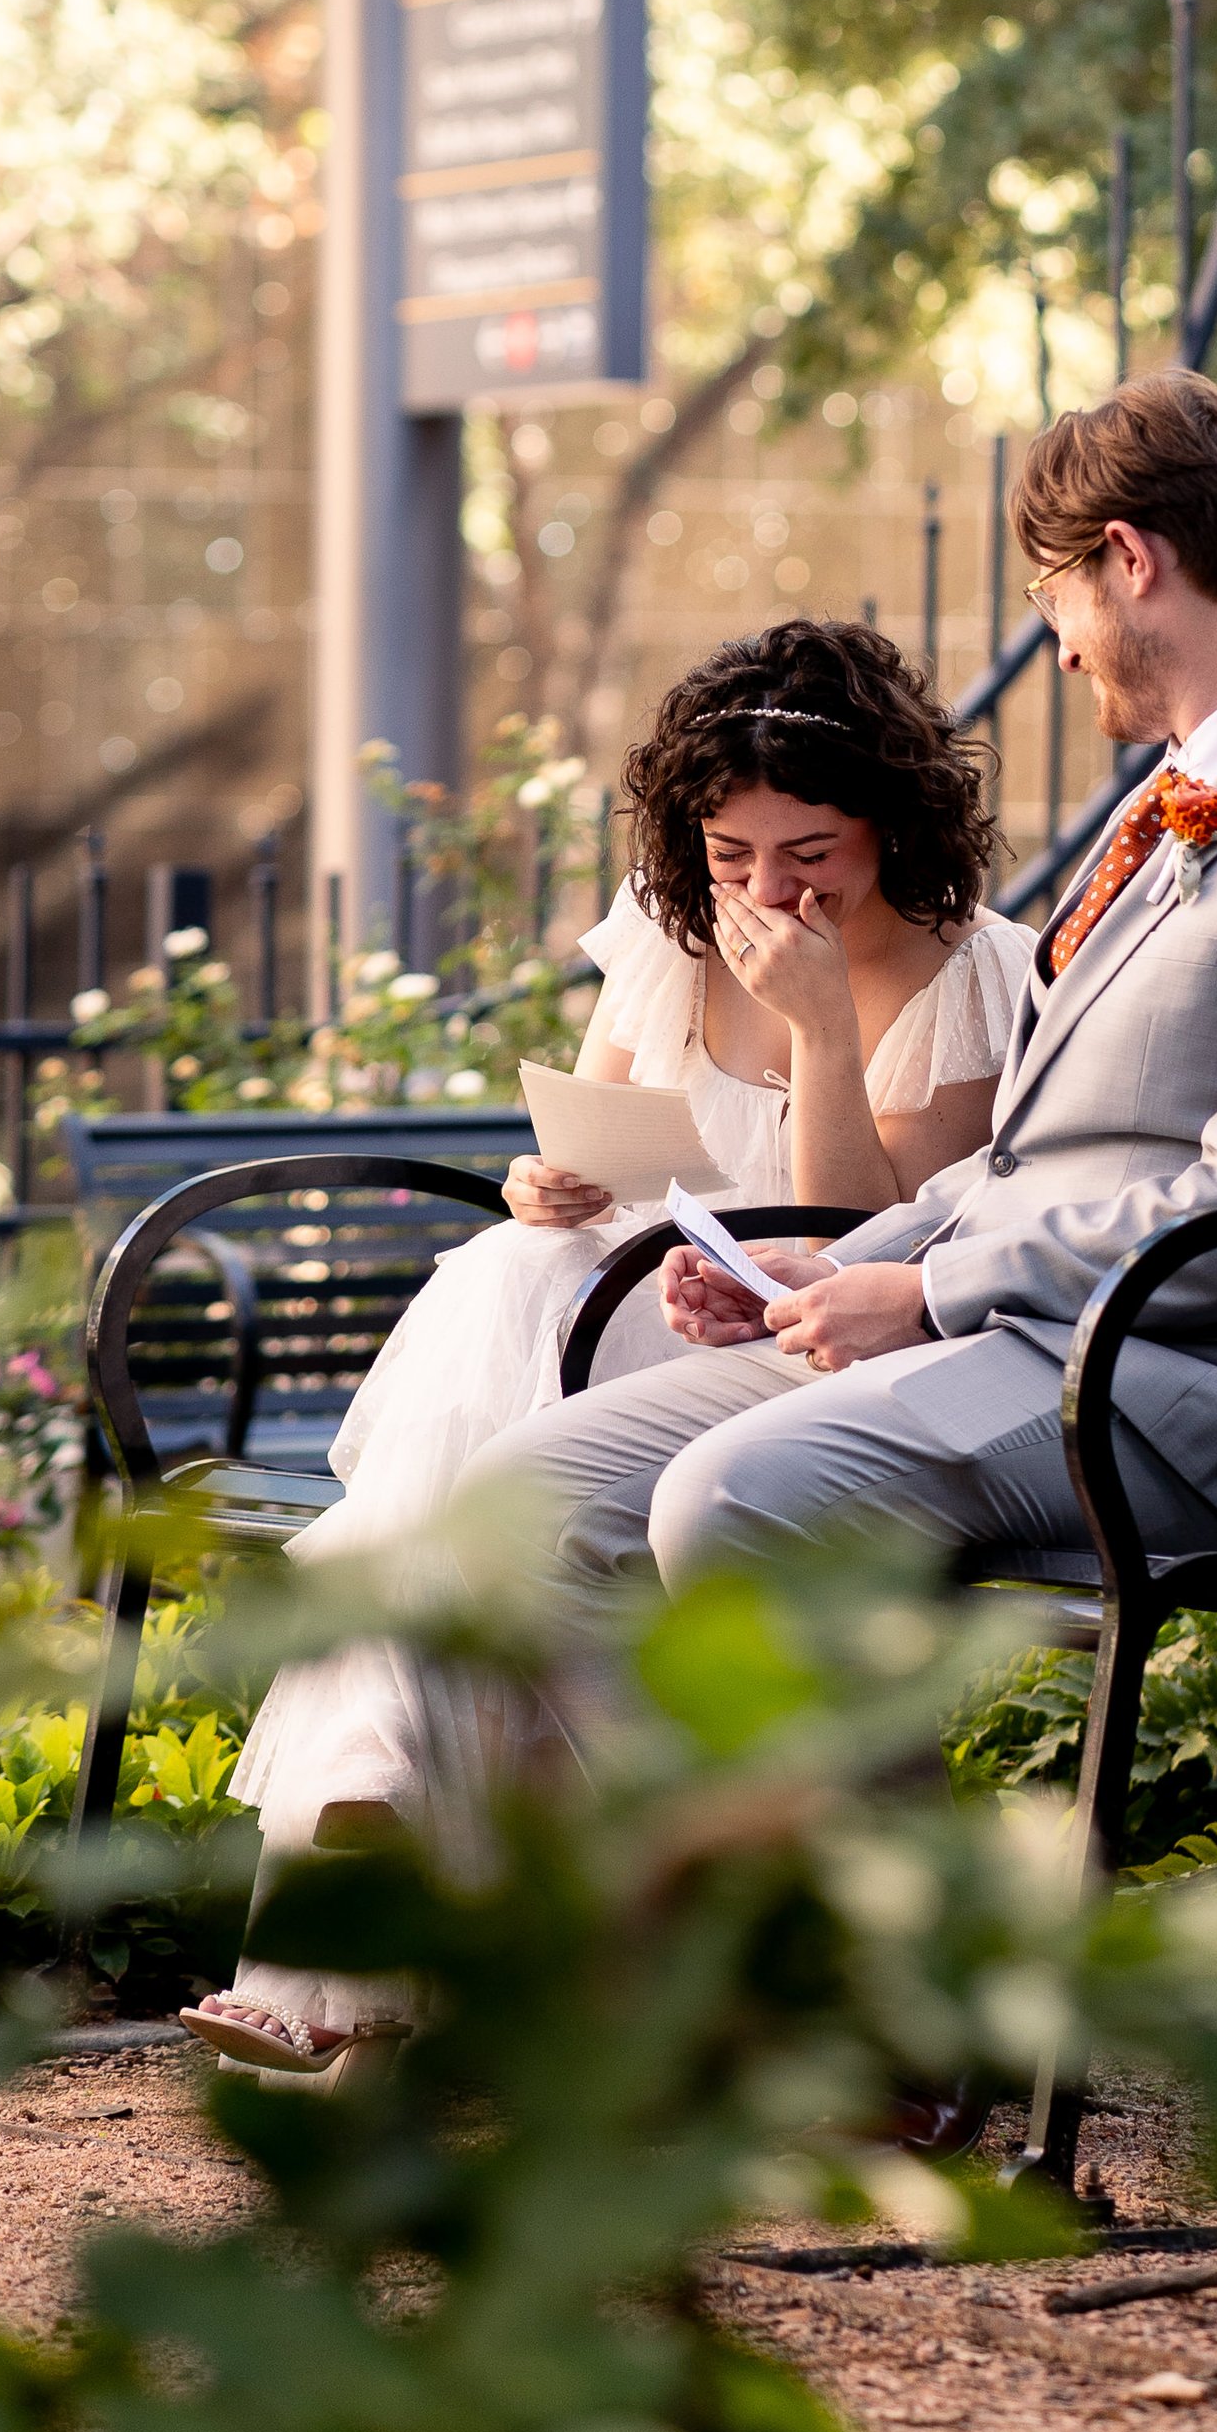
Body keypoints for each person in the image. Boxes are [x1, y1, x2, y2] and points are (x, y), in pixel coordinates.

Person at [446, 366, 1217, 1681]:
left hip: (1185, 1392)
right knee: (525, 1499)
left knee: (727, 1499)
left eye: (1057, 602)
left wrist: (930, 1289)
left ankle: (881, 1890)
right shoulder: (1168, 800)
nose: (1059, 647)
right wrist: (825, 1272)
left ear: (1126, 560)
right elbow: (1021, 1164)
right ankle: (703, 1884)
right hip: (1022, 1339)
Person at [185, 619, 1032, 2071]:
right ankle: (382, 1801)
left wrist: (823, 1026)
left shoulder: (972, 976)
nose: (767, 892)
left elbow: (873, 1242)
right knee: (518, 1266)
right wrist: (550, 1184)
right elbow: (598, 1143)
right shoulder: (663, 937)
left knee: (511, 1378)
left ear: (891, 821)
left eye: (808, 853)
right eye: (730, 855)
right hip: (629, 1311)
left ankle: (360, 1864)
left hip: (809, 1370)